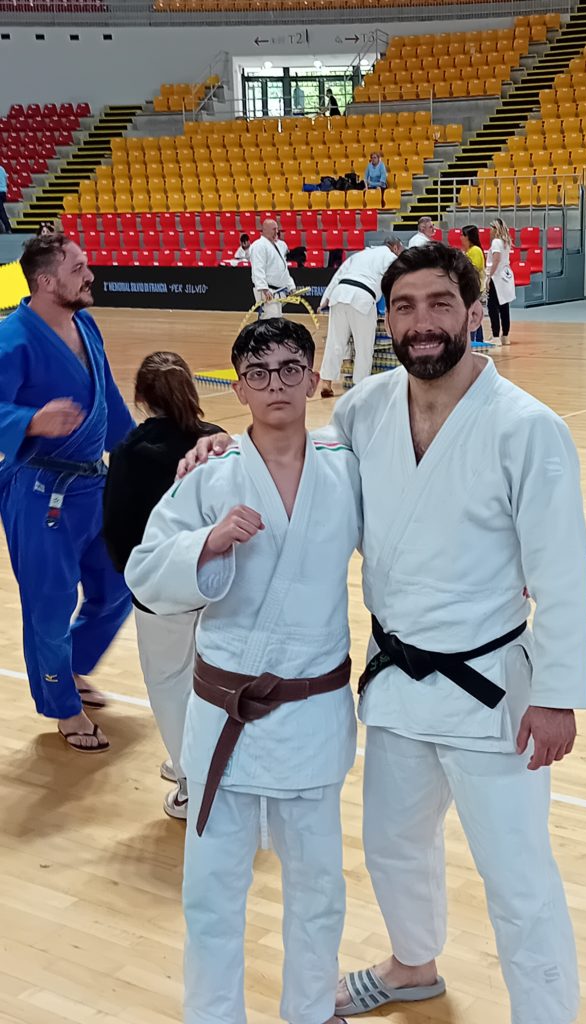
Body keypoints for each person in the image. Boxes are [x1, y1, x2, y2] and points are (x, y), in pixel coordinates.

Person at [180, 244, 586, 1024]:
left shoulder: (528, 428)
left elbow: (563, 574)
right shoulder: (365, 409)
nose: (421, 323)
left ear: (474, 312)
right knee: (393, 846)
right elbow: (299, 459)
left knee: (518, 876)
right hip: (397, 683)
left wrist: (559, 694)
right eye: (404, 307)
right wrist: (222, 447)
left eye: (440, 304)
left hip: (491, 691)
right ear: (386, 319)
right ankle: (412, 963)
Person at [125, 318, 360, 1024]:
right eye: (258, 373)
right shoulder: (212, 474)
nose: (275, 384)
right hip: (225, 718)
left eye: (290, 369)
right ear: (238, 387)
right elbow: (145, 570)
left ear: (313, 377)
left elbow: (407, 542)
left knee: (318, 890)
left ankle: (311, 1008)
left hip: (312, 712)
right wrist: (207, 542)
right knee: (212, 894)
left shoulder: (348, 467)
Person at [0, 233, 134, 752]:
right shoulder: (12, 339)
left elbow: (109, 401)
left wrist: (140, 452)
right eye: (78, 268)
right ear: (45, 281)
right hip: (40, 493)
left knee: (119, 585)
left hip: (93, 484)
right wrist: (32, 419)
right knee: (49, 606)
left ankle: (72, 666)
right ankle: (62, 707)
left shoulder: (85, 324)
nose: (90, 274)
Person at [102, 352, 223, 819]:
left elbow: (118, 527)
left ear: (141, 398)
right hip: (217, 583)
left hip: (164, 589)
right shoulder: (216, 440)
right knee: (213, 679)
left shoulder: (131, 451)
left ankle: (193, 782)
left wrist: (132, 577)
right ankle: (213, 766)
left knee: (171, 683)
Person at [318, 236, 404, 398]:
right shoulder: (389, 256)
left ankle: (326, 382)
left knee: (335, 342)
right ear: (395, 248)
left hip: (339, 294)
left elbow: (338, 275)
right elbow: (395, 280)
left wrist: (325, 300)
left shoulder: (359, 255)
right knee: (364, 346)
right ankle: (360, 385)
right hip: (362, 297)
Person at [249, 218, 295, 318]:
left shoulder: (278, 245)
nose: (277, 232)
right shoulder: (259, 246)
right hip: (268, 291)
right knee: (270, 319)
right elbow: (258, 269)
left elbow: (283, 269)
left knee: (277, 318)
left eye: (277, 229)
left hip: (278, 291)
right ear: (266, 230)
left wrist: (291, 286)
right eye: (274, 229)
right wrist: (264, 289)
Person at [486, 217, 516, 346]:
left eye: (491, 228)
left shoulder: (496, 242)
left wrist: (489, 276)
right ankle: (505, 335)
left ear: (495, 229)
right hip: (505, 275)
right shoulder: (506, 241)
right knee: (504, 306)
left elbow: (496, 259)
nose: (489, 231)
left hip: (497, 276)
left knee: (492, 306)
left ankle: (495, 336)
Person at [460, 224, 486, 344]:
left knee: (472, 313)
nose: (460, 237)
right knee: (474, 312)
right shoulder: (468, 251)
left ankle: (473, 339)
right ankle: (478, 339)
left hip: (474, 287)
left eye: (463, 235)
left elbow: (473, 269)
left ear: (468, 237)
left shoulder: (475, 250)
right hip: (470, 287)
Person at [0, 161, 12, 234]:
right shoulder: (2, 168)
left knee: (1, 212)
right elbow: (7, 182)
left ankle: (8, 228)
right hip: (3, 192)